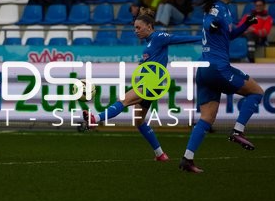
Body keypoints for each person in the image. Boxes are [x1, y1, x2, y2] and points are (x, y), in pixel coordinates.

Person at [82, 14, 201, 161]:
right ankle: (160, 154)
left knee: (123, 100)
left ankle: (95, 118)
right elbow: (152, 59)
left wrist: (203, 38)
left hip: (152, 83)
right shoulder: (149, 43)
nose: (136, 31)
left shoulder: (158, 37)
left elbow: (179, 39)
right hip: (148, 83)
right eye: (134, 28)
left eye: (138, 28)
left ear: (149, 27)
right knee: (139, 121)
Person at [179, 0, 265, 173]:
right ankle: (238, 131)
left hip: (204, 69)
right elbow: (209, 22)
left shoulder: (224, 9)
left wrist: (245, 24)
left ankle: (187, 159)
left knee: (207, 117)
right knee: (257, 92)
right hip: (217, 67)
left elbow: (228, 35)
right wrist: (211, 26)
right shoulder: (217, 8)